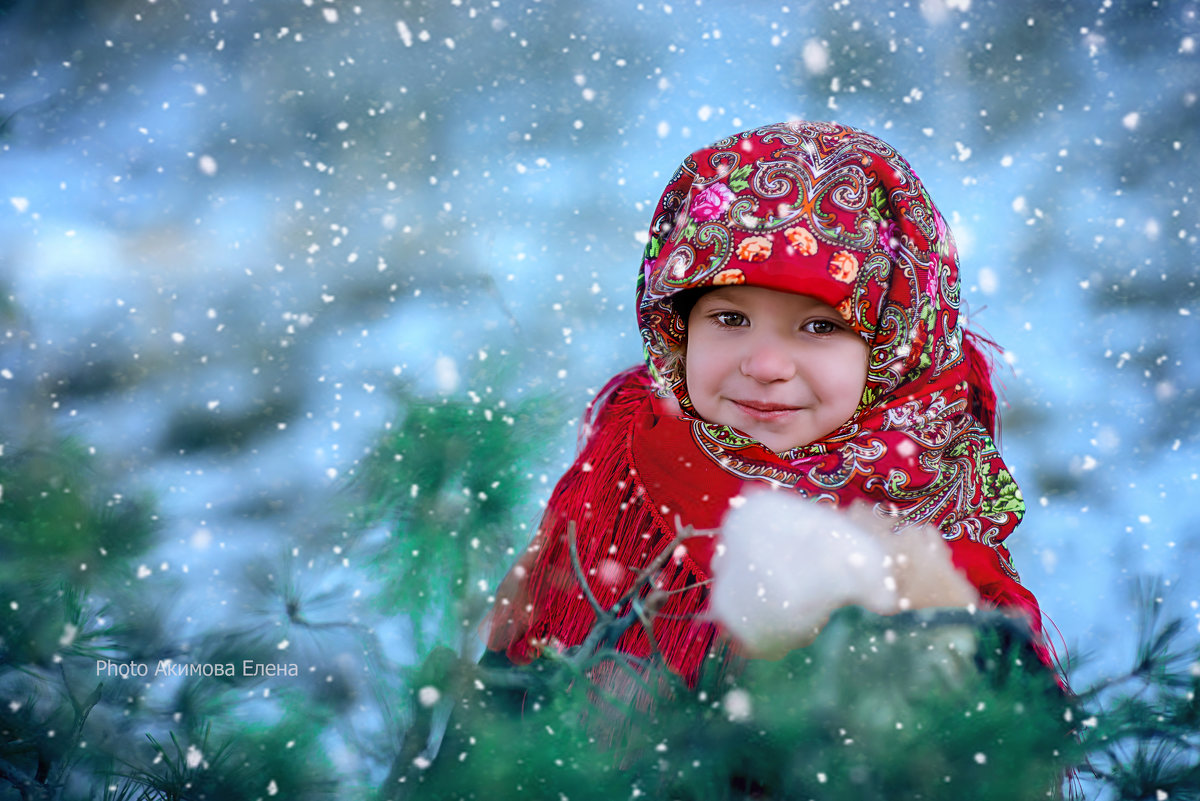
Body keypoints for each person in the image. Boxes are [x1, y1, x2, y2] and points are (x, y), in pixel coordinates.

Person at [481, 120, 1052, 691]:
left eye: (819, 326)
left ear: (894, 347)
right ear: (678, 329)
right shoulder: (629, 469)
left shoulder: (928, 530)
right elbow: (500, 703)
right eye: (730, 318)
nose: (765, 365)